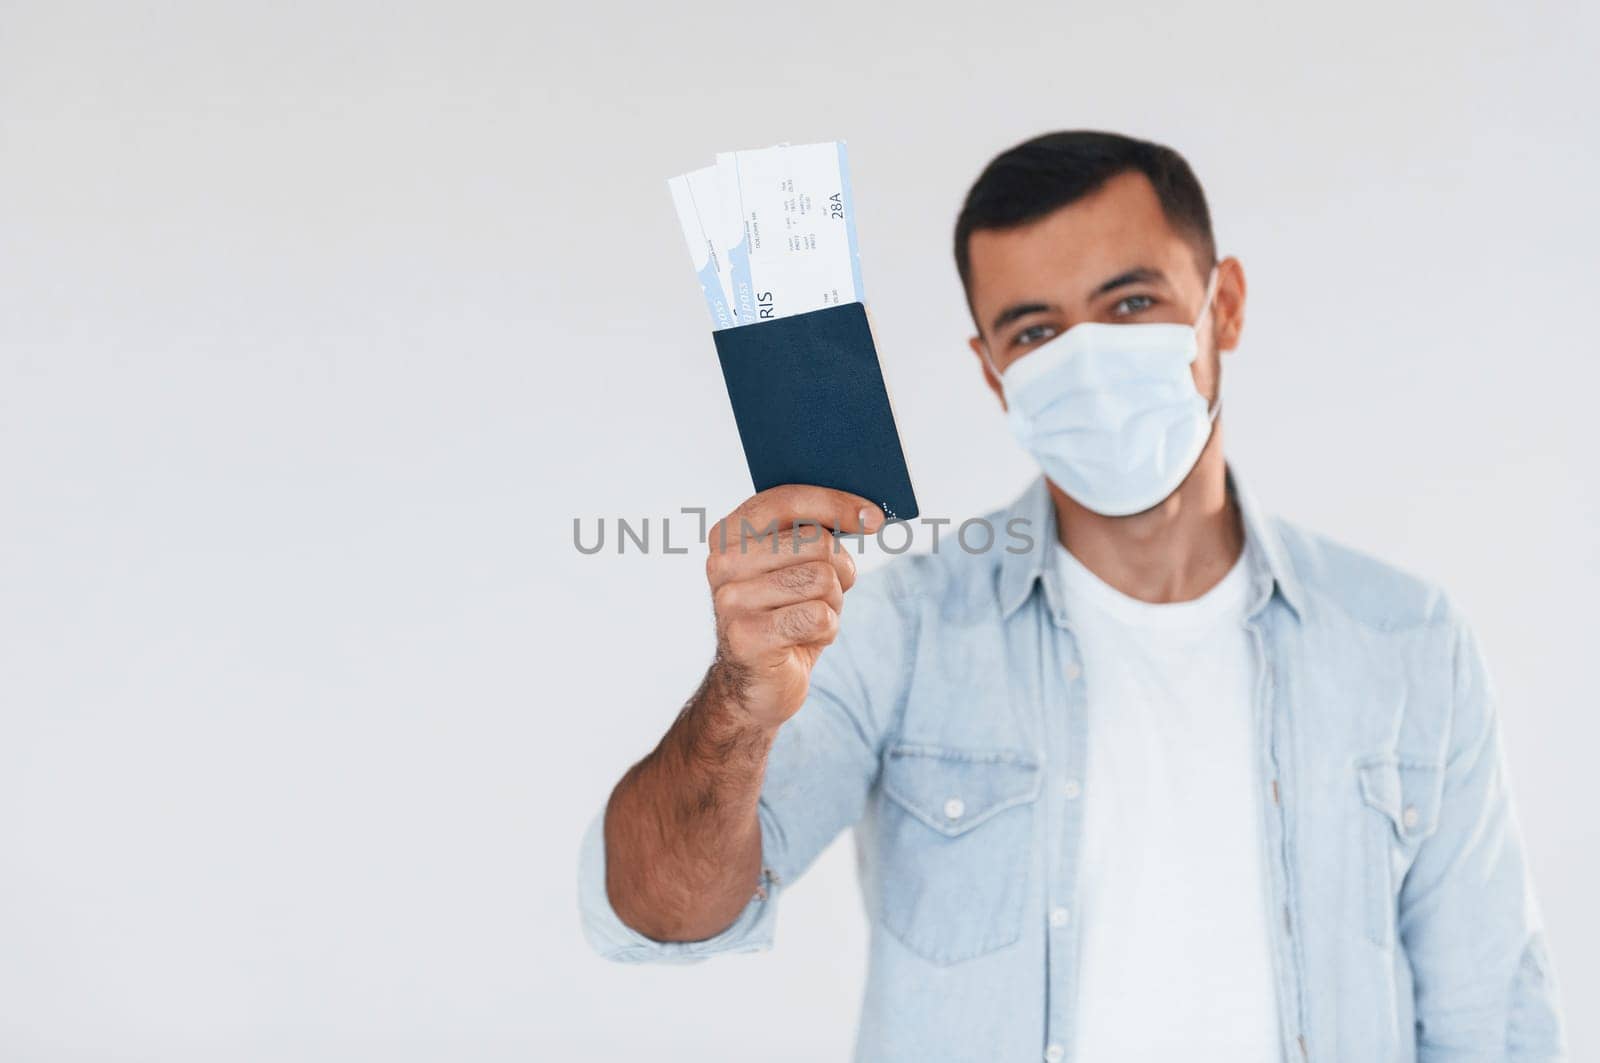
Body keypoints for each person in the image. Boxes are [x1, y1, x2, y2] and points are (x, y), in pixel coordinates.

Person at [577, 131, 1567, 1061]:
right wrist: (738, 707)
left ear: (1222, 304)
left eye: (1132, 304)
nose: (1085, 361)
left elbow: (1491, 1017)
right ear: (992, 371)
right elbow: (658, 911)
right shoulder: (899, 628)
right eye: (1035, 329)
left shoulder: (1403, 638)